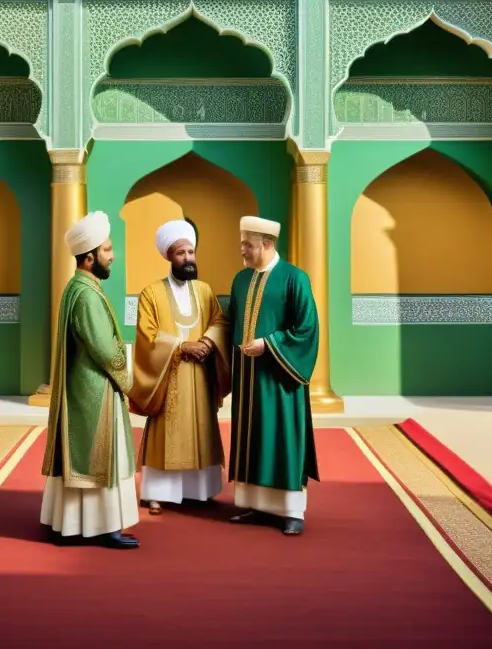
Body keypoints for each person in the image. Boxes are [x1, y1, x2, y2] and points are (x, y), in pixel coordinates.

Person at [40, 211, 140, 549]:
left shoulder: (78, 287)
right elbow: (102, 347)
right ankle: (104, 527)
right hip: (95, 389)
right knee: (102, 459)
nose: (113, 256)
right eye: (108, 250)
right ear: (89, 257)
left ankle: (72, 524)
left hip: (84, 387)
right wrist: (127, 378)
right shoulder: (86, 294)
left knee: (84, 458)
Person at [129, 219, 230, 515]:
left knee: (200, 428)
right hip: (168, 376)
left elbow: (220, 321)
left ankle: (198, 491)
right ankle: (158, 493)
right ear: (168, 257)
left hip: (200, 375)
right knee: (168, 432)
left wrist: (209, 343)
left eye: (191, 252)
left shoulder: (204, 290)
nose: (188, 258)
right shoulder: (151, 293)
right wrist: (180, 345)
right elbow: (147, 336)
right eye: (181, 253)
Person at [226, 215, 319, 535]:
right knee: (252, 436)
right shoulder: (240, 279)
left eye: (247, 245)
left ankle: (292, 511)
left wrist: (268, 344)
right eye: (242, 244)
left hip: (280, 379)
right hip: (247, 379)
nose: (242, 251)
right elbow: (229, 324)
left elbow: (307, 328)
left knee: (282, 436)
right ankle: (257, 504)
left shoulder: (295, 278)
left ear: (266, 245)